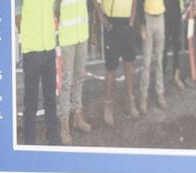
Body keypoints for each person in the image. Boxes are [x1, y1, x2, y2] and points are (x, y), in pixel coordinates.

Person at [17, 0, 62, 145]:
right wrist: (27, 35)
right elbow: (17, 14)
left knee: (50, 97)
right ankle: (29, 142)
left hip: (49, 48)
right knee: (31, 101)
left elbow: (55, 7)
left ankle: (53, 138)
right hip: (31, 51)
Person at [96, 0, 139, 126]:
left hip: (127, 25)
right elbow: (97, 3)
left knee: (129, 64)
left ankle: (130, 102)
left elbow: (135, 3)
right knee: (111, 68)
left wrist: (131, 22)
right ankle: (108, 105)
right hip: (111, 25)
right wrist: (104, 21)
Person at [56, 0, 93, 140]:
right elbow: (56, 8)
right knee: (67, 82)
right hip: (68, 39)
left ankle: (77, 116)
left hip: (82, 35)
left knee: (79, 78)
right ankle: (64, 123)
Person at [136, 0, 167, 113]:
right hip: (147, 19)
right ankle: (143, 96)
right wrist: (142, 24)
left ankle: (160, 93)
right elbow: (139, 3)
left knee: (159, 60)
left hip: (160, 18)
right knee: (146, 61)